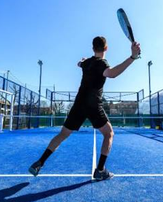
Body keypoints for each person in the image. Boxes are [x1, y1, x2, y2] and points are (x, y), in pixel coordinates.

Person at [29, 36, 141, 181]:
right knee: (109, 134)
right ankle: (100, 170)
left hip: (79, 104)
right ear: (106, 48)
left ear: (93, 48)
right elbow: (112, 73)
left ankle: (39, 162)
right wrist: (133, 57)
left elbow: (80, 63)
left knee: (62, 134)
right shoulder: (102, 63)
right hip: (93, 105)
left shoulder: (86, 63)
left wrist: (82, 61)